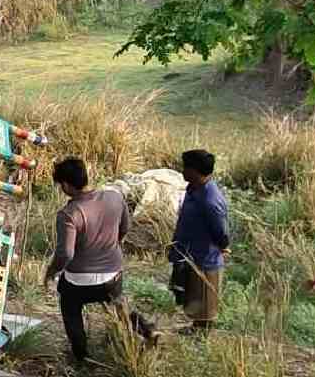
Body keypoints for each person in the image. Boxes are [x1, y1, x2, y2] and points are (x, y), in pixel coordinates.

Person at [44, 158, 151, 364]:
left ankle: (82, 357)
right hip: (112, 275)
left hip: (78, 281)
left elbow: (66, 254)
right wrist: (113, 245)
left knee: (70, 307)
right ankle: (146, 331)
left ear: (65, 185)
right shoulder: (114, 197)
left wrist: (51, 272)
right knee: (118, 304)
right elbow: (125, 228)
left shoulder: (69, 214)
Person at [169, 149, 230, 332]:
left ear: (195, 171)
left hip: (204, 258)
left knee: (205, 300)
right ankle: (196, 327)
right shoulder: (194, 189)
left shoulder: (211, 200)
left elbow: (221, 232)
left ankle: (203, 335)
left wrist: (223, 246)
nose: (182, 171)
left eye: (185, 167)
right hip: (189, 254)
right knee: (193, 297)